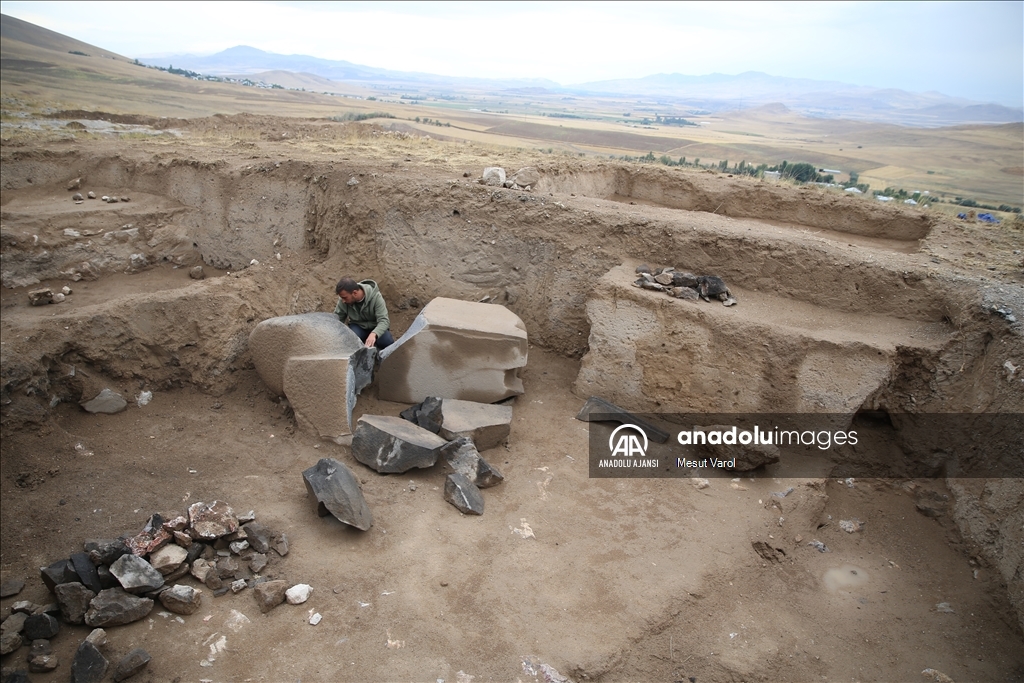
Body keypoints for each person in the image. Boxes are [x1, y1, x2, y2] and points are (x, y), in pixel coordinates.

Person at [334, 277, 394, 350]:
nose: (343, 301)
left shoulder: (376, 297)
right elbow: (337, 320)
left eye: (345, 298)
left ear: (355, 293)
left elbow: (384, 321)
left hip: (376, 326)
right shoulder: (343, 301)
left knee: (387, 341)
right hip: (358, 327)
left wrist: (374, 334)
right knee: (351, 341)